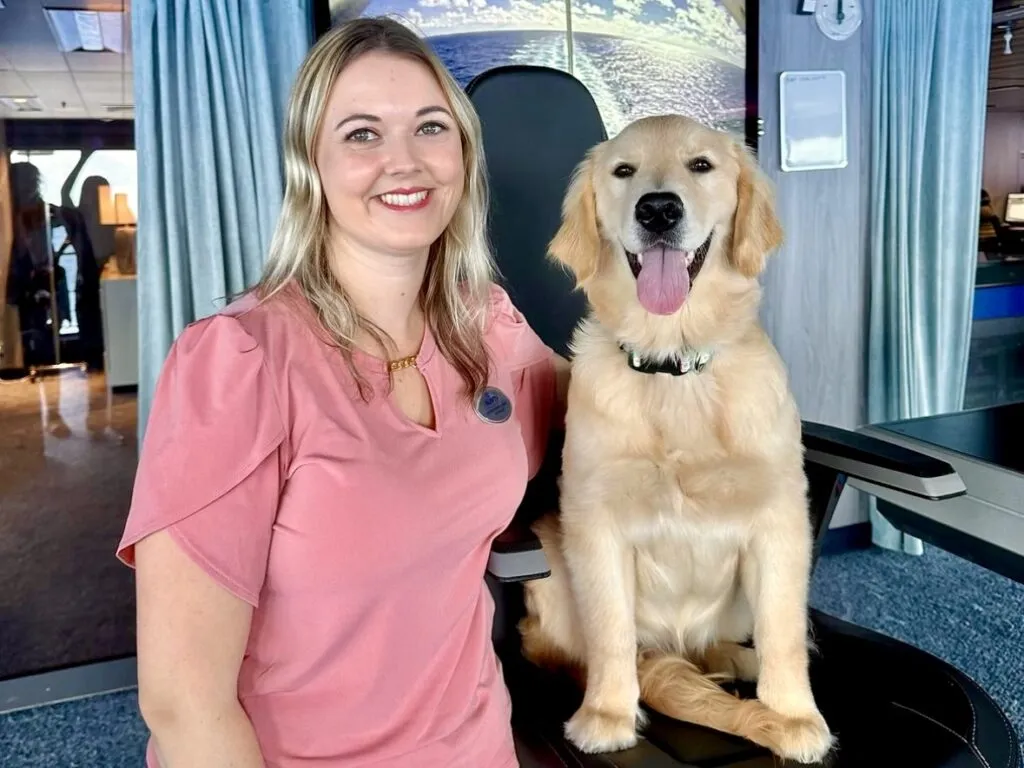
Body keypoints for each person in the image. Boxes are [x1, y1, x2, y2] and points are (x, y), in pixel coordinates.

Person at [116, 16, 569, 768]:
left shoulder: (488, 322)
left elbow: (598, 401)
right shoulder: (240, 362)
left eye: (431, 127)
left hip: (478, 746)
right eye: (362, 134)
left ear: (462, 152)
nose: (405, 162)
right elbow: (182, 704)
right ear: (310, 165)